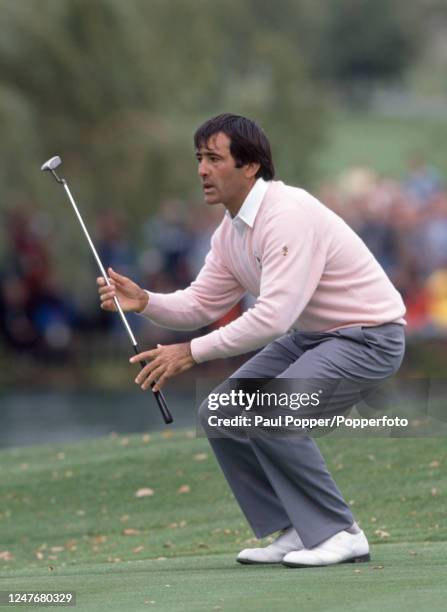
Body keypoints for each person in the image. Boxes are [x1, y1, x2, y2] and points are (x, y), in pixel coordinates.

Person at [97, 113, 406, 568]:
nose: (202, 169)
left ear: (250, 166)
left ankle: (340, 531)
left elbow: (274, 317)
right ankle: (296, 530)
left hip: (370, 339)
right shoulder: (231, 231)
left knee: (273, 411)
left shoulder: (287, 214)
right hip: (315, 338)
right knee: (219, 411)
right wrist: (145, 301)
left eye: (214, 158)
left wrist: (191, 353)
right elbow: (201, 303)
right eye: (199, 158)